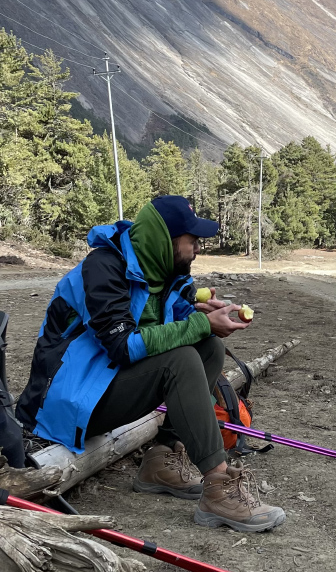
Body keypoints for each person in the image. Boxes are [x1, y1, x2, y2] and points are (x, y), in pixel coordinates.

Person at [16, 196, 285, 533]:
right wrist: (200, 324)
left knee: (209, 347)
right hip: (63, 401)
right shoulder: (103, 268)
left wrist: (202, 315)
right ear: (164, 240)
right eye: (193, 240)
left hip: (103, 385)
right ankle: (218, 486)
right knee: (183, 358)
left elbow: (169, 322)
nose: (198, 249)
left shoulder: (166, 271)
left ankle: (163, 458)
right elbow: (123, 346)